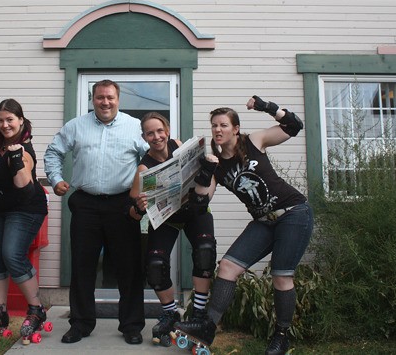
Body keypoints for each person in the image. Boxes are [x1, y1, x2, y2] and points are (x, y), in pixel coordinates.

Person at [174, 96, 313, 355]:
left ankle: (281, 336)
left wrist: (266, 107)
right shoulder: (216, 164)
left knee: (282, 276)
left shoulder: (253, 141)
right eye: (214, 125)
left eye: (224, 125)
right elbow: (201, 203)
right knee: (227, 267)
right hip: (262, 222)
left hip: (293, 213)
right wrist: (205, 171)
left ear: (235, 129)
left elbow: (294, 127)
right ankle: (208, 327)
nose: (218, 129)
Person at [44, 79, 149, 345]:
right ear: (93, 99)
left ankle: (131, 325)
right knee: (82, 266)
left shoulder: (135, 127)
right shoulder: (76, 126)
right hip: (86, 205)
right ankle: (80, 323)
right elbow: (54, 152)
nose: (105, 102)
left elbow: (155, 157)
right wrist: (56, 179)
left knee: (129, 268)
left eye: (110, 97)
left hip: (122, 206)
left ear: (118, 99)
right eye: (100, 97)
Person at [128, 112, 217, 347]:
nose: (156, 136)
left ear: (167, 131)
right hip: (168, 217)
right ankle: (170, 313)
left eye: (159, 131)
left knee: (205, 251)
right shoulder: (144, 167)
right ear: (144, 137)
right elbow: (133, 210)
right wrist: (139, 207)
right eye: (150, 133)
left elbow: (209, 179)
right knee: (155, 265)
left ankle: (198, 313)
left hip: (194, 212)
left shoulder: (180, 147)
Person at [0, 99, 49, 343]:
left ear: (21, 121)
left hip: (25, 209)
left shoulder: (24, 149)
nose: (5, 125)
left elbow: (24, 188)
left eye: (10, 120)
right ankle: (0, 312)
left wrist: (17, 159)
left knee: (12, 255)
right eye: (1, 120)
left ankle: (36, 310)